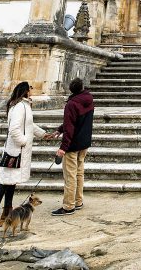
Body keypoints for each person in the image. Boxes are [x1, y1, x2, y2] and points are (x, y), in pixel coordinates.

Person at [0, 81, 51, 227]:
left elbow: (29, 125)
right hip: (15, 150)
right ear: (26, 91)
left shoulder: (24, 105)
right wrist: (23, 141)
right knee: (4, 182)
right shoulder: (20, 107)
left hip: (19, 150)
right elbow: (15, 129)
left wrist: (43, 134)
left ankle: (7, 211)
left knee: (11, 182)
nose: (32, 91)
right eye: (31, 88)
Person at [51, 78, 95, 216]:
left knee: (70, 176)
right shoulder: (88, 99)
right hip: (84, 142)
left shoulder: (72, 104)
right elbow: (74, 121)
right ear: (82, 87)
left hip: (73, 144)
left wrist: (63, 147)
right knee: (79, 173)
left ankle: (69, 206)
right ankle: (78, 200)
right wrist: (60, 129)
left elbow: (70, 126)